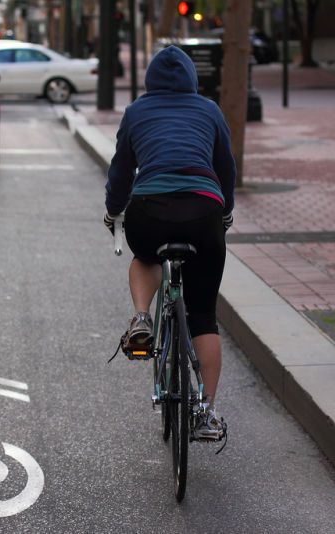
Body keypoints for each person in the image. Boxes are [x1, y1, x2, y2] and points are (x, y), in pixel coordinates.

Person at [104, 45, 235, 441]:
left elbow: (121, 171)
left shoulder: (137, 112)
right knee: (203, 317)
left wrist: (113, 212)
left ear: (150, 80)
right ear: (192, 80)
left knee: (144, 256)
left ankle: (142, 316)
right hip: (203, 212)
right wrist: (224, 212)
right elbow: (224, 166)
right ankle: (206, 413)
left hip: (151, 211)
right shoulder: (209, 110)